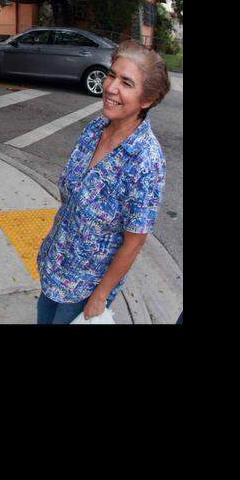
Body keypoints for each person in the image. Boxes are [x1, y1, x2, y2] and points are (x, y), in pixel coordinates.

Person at [35, 40, 170, 324]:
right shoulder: (95, 128)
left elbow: (134, 242)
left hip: (87, 287)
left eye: (126, 83)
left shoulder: (146, 161)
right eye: (112, 75)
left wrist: (100, 296)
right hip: (56, 263)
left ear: (146, 100)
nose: (111, 87)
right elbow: (71, 197)